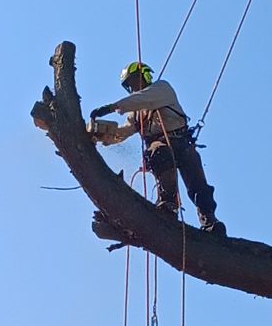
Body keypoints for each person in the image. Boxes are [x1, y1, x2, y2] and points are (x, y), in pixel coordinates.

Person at [88, 62, 224, 233]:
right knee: (158, 152)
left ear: (144, 76)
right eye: (128, 85)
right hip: (161, 148)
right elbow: (124, 132)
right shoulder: (136, 113)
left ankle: (210, 220)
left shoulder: (161, 89)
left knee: (198, 185)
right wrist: (102, 135)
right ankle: (168, 205)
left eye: (133, 81)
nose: (132, 88)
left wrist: (111, 107)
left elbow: (141, 99)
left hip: (181, 144)